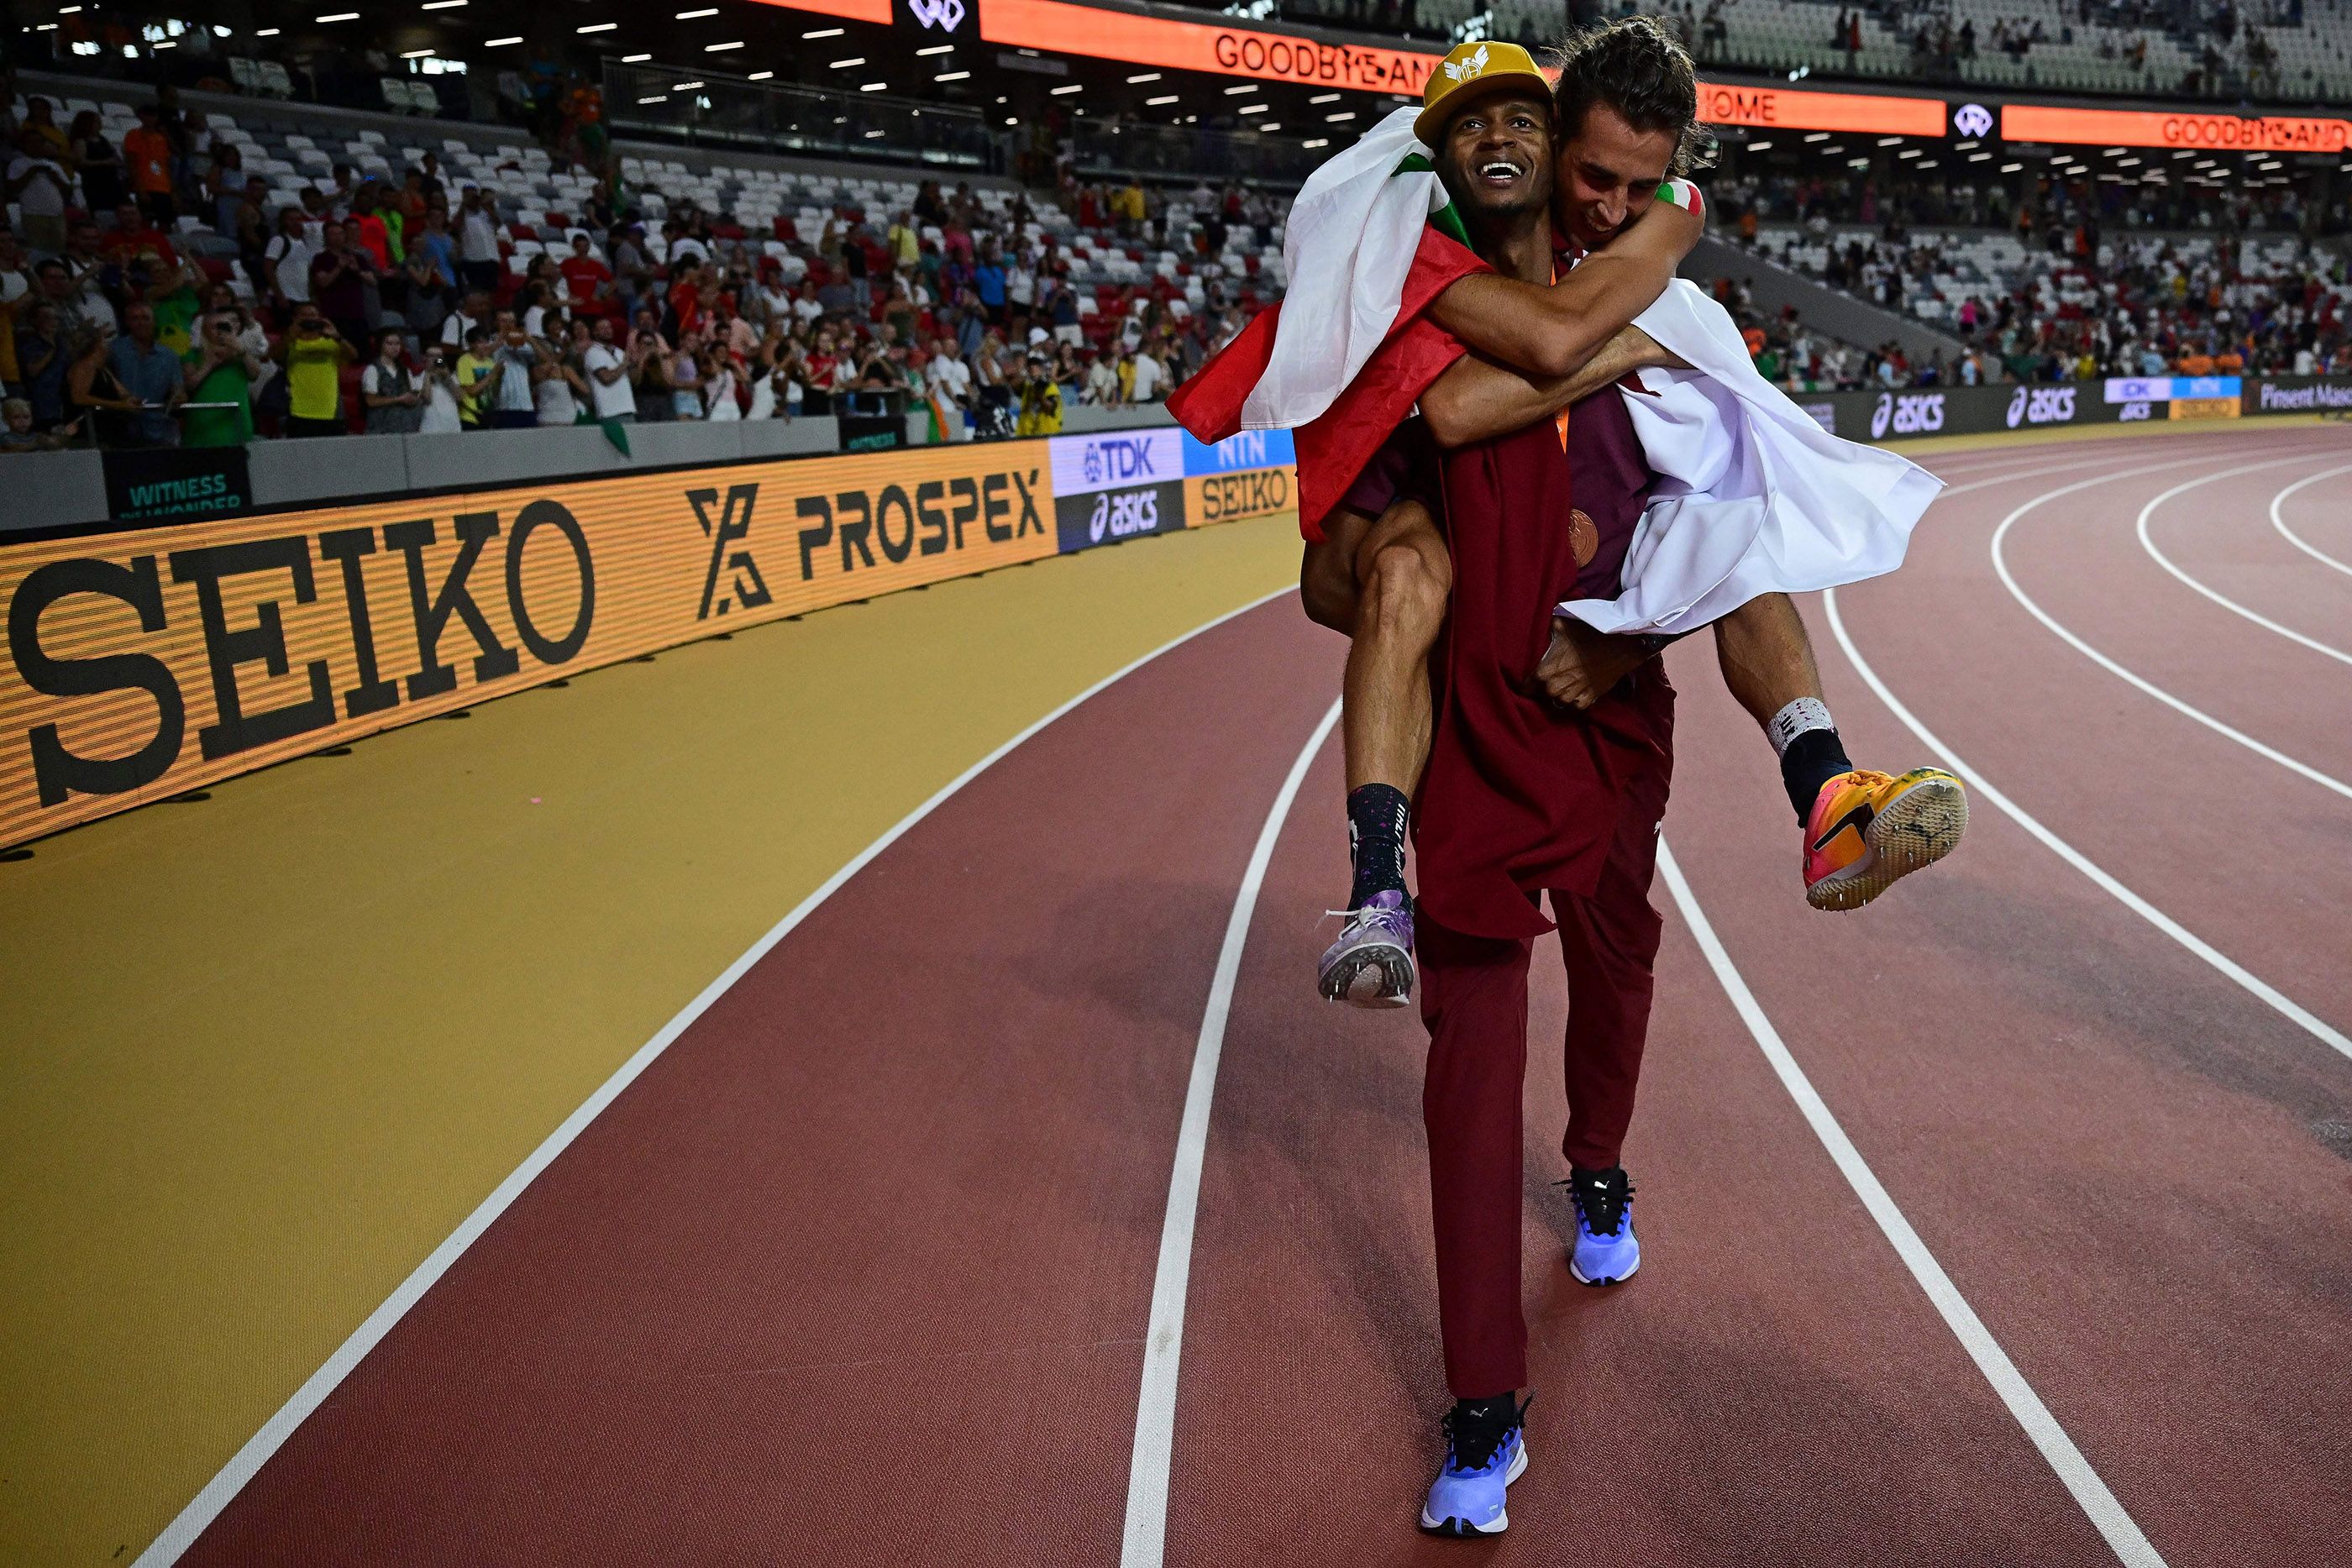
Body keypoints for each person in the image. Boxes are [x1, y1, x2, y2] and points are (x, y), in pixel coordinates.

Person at [1182, 27, 1957, 1537]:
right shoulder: (1425, 305)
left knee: (1619, 960)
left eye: (1625, 186)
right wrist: (1407, 566)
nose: (1597, 202)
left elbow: (1711, 519)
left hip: (1607, 719)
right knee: (1468, 1072)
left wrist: (1619, 640)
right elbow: (1377, 515)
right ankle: (1484, 1402)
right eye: (1585, 172)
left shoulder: (1660, 296)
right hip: (1475, 739)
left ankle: (1608, 1148)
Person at [106, 300, 185, 447]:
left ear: (154, 322)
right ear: (127, 322)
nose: (141, 323)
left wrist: (178, 397)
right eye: (135, 318)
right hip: (122, 429)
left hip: (160, 431)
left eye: (145, 318)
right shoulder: (113, 350)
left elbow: (179, 390)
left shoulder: (169, 356)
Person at [181, 308, 262, 447]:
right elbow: (188, 386)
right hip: (202, 431)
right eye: (214, 327)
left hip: (236, 429)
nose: (220, 332)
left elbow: (255, 373)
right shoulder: (193, 355)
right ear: (205, 331)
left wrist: (240, 350)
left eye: (224, 326)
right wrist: (209, 365)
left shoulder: (242, 357)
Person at [279, 307, 354, 437]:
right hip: (298, 410)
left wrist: (337, 337)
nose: (309, 318)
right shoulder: (290, 343)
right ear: (295, 318)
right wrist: (290, 335)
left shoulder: (331, 342)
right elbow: (274, 355)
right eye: (304, 315)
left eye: (313, 315)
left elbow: (353, 355)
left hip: (331, 410)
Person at [360, 328, 425, 434]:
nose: (395, 347)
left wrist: (413, 398)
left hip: (405, 428)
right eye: (389, 344)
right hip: (380, 429)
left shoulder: (405, 371)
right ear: (380, 345)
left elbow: (414, 394)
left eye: (397, 344)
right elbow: (371, 401)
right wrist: (399, 399)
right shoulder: (373, 370)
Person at [122, 104, 176, 224]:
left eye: (153, 116)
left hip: (163, 187)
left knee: (165, 223)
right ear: (141, 116)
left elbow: (165, 165)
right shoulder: (134, 135)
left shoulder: (161, 138)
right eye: (148, 115)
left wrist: (172, 191)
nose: (151, 119)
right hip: (145, 186)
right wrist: (140, 189)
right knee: (145, 222)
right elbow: (132, 163)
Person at [581, 315, 633, 423]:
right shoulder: (593, 352)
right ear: (594, 332)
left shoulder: (619, 352)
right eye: (602, 328)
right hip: (609, 412)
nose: (607, 330)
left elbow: (632, 380)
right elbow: (606, 378)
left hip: (628, 408)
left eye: (609, 327)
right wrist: (625, 364)